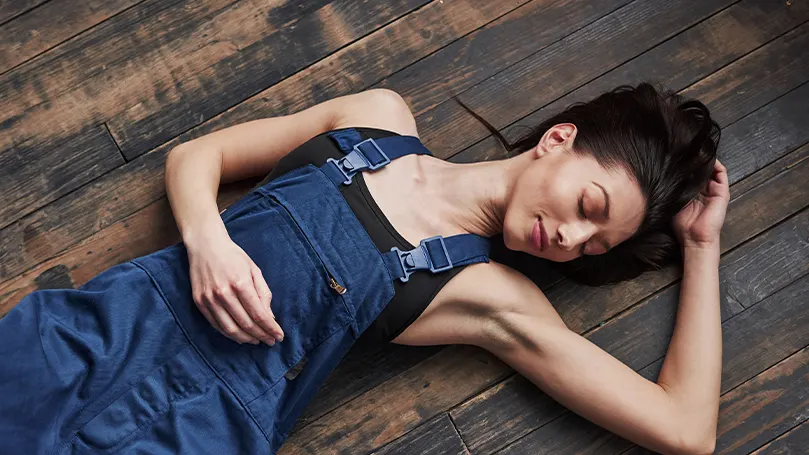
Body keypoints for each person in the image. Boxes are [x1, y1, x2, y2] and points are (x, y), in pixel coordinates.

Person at [0, 84, 727, 455]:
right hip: (93, 333)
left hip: (188, 433)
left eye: (590, 246)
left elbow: (685, 429)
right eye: (587, 204)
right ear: (557, 140)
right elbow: (199, 157)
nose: (569, 236)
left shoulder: (487, 294)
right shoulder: (376, 119)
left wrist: (700, 249)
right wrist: (208, 240)